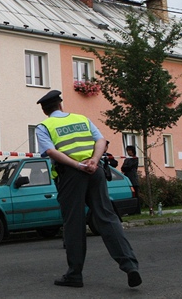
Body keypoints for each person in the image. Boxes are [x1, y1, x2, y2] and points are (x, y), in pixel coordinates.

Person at [35, 90, 141, 288]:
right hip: (95, 172)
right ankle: (130, 265)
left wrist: (77, 166)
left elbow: (50, 151)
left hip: (70, 175)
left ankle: (75, 274)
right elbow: (101, 140)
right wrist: (93, 161)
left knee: (73, 223)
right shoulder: (82, 119)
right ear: (61, 105)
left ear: (45, 110)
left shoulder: (44, 126)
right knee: (107, 217)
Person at [121, 145, 140, 214]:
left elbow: (129, 167)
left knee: (136, 195)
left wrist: (126, 167)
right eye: (127, 150)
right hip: (127, 178)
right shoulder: (127, 159)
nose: (128, 152)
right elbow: (123, 168)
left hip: (133, 179)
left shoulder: (135, 158)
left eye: (130, 150)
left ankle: (137, 211)